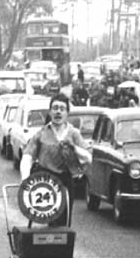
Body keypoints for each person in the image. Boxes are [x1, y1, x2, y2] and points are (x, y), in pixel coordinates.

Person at [20, 93, 92, 226]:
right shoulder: (41, 133)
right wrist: (25, 179)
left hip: (65, 182)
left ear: (67, 113)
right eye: (55, 108)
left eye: (62, 109)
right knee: (44, 218)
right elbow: (27, 156)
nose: (58, 112)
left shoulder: (73, 134)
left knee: (63, 223)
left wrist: (74, 148)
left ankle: (60, 246)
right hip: (44, 181)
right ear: (50, 111)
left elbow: (88, 158)